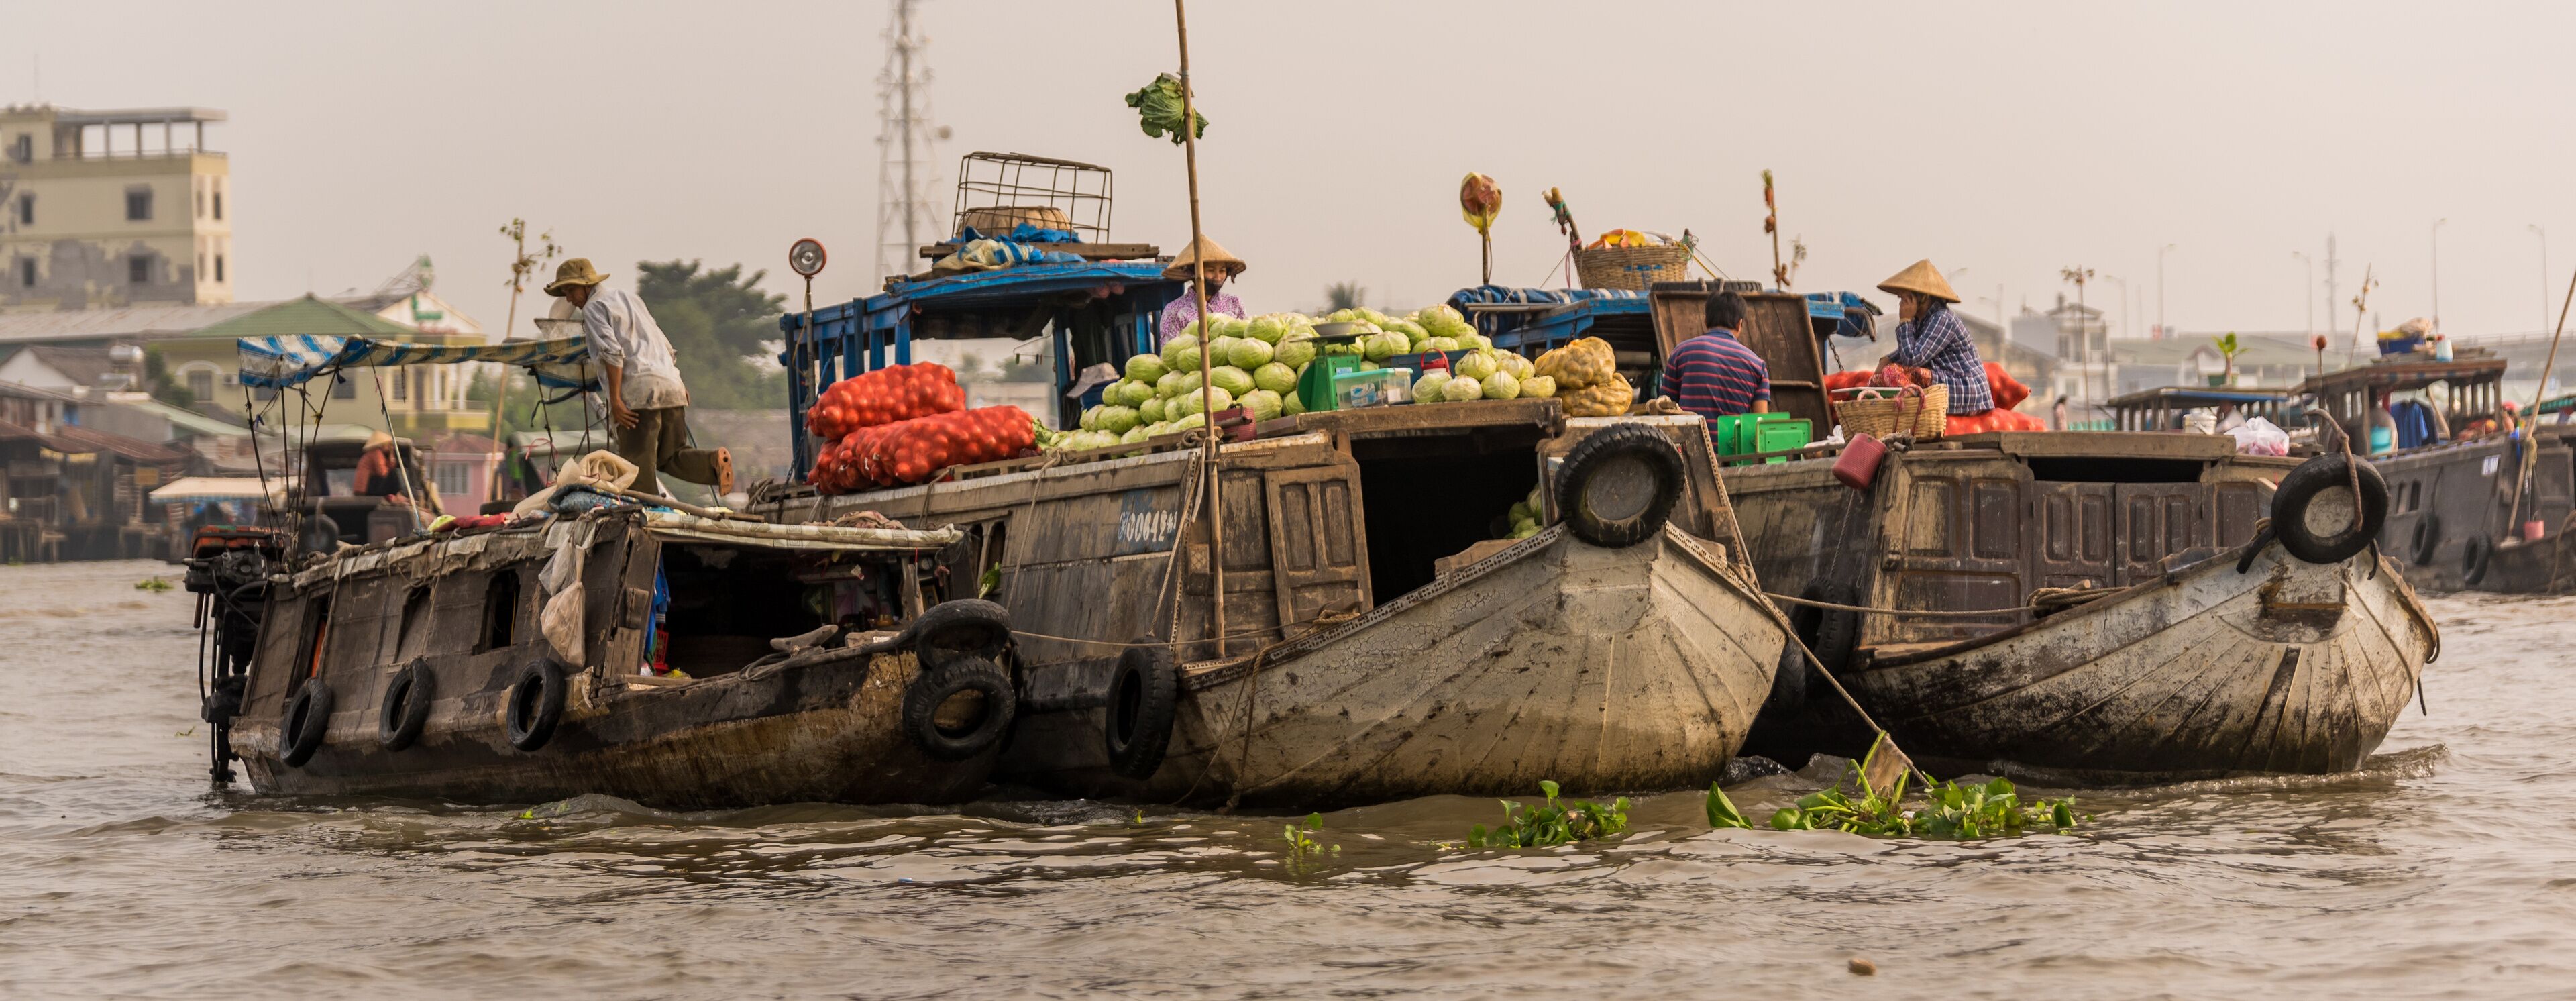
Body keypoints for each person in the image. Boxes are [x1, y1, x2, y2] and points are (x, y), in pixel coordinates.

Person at [547, 258, 734, 498]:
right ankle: (713, 464)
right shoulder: (629, 298)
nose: (569, 299)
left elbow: (613, 354)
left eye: (571, 291)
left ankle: (645, 515)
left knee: (636, 467)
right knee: (672, 455)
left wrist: (615, 401)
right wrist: (678, 385)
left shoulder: (594, 307)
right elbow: (666, 347)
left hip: (639, 394)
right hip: (670, 384)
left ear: (585, 285)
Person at [1875, 260, 1992, 416]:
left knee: (1893, 373)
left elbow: (1912, 359)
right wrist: (1886, 360)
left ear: (1922, 297)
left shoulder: (1943, 319)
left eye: (1906, 298)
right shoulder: (1920, 321)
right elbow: (1904, 353)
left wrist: (1904, 322)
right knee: (1881, 376)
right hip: (1945, 382)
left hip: (1965, 388)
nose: (1901, 303)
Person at [1657, 291, 1771, 421]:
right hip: (1733, 442)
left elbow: (1664, 409)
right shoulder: (1757, 365)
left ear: (1705, 321)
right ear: (1740, 324)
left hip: (1690, 442)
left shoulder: (1680, 353)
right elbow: (1761, 424)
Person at [1158, 235, 1248, 346]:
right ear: (1194, 272)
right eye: (1211, 270)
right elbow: (1168, 353)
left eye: (1222, 271)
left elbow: (1245, 342)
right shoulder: (1174, 310)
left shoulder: (1235, 304)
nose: (1217, 277)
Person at [352, 431, 407, 500]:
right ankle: (398, 494)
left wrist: (391, 454)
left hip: (365, 488)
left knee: (392, 471)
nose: (390, 447)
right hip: (365, 488)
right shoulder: (376, 453)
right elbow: (382, 472)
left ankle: (397, 495)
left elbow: (392, 464)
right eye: (389, 445)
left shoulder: (376, 453)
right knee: (393, 473)